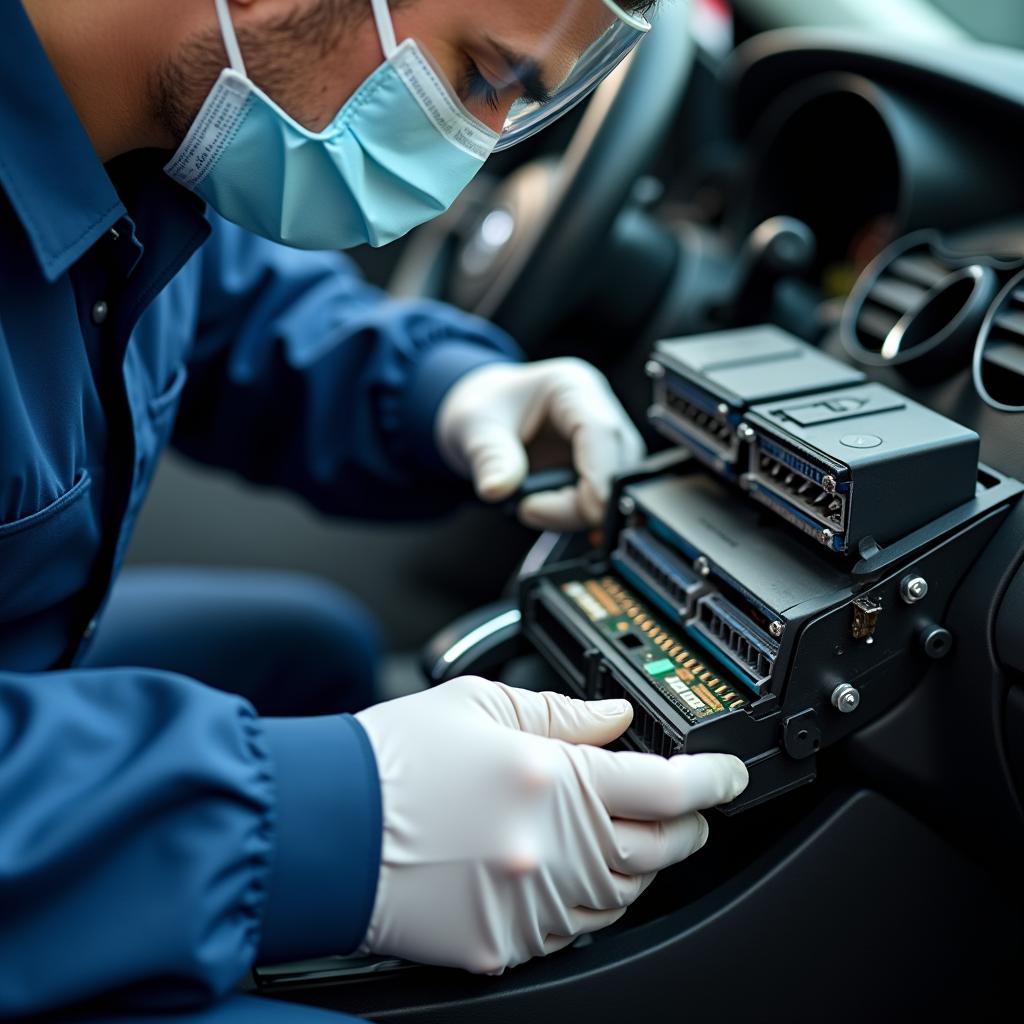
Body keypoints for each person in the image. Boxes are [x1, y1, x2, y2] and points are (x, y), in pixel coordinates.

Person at [0, 1, 749, 1021]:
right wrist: (336, 819)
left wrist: (441, 392)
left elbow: (214, 301)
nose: (480, 151)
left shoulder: (130, 139)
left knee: (313, 651)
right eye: (484, 77)